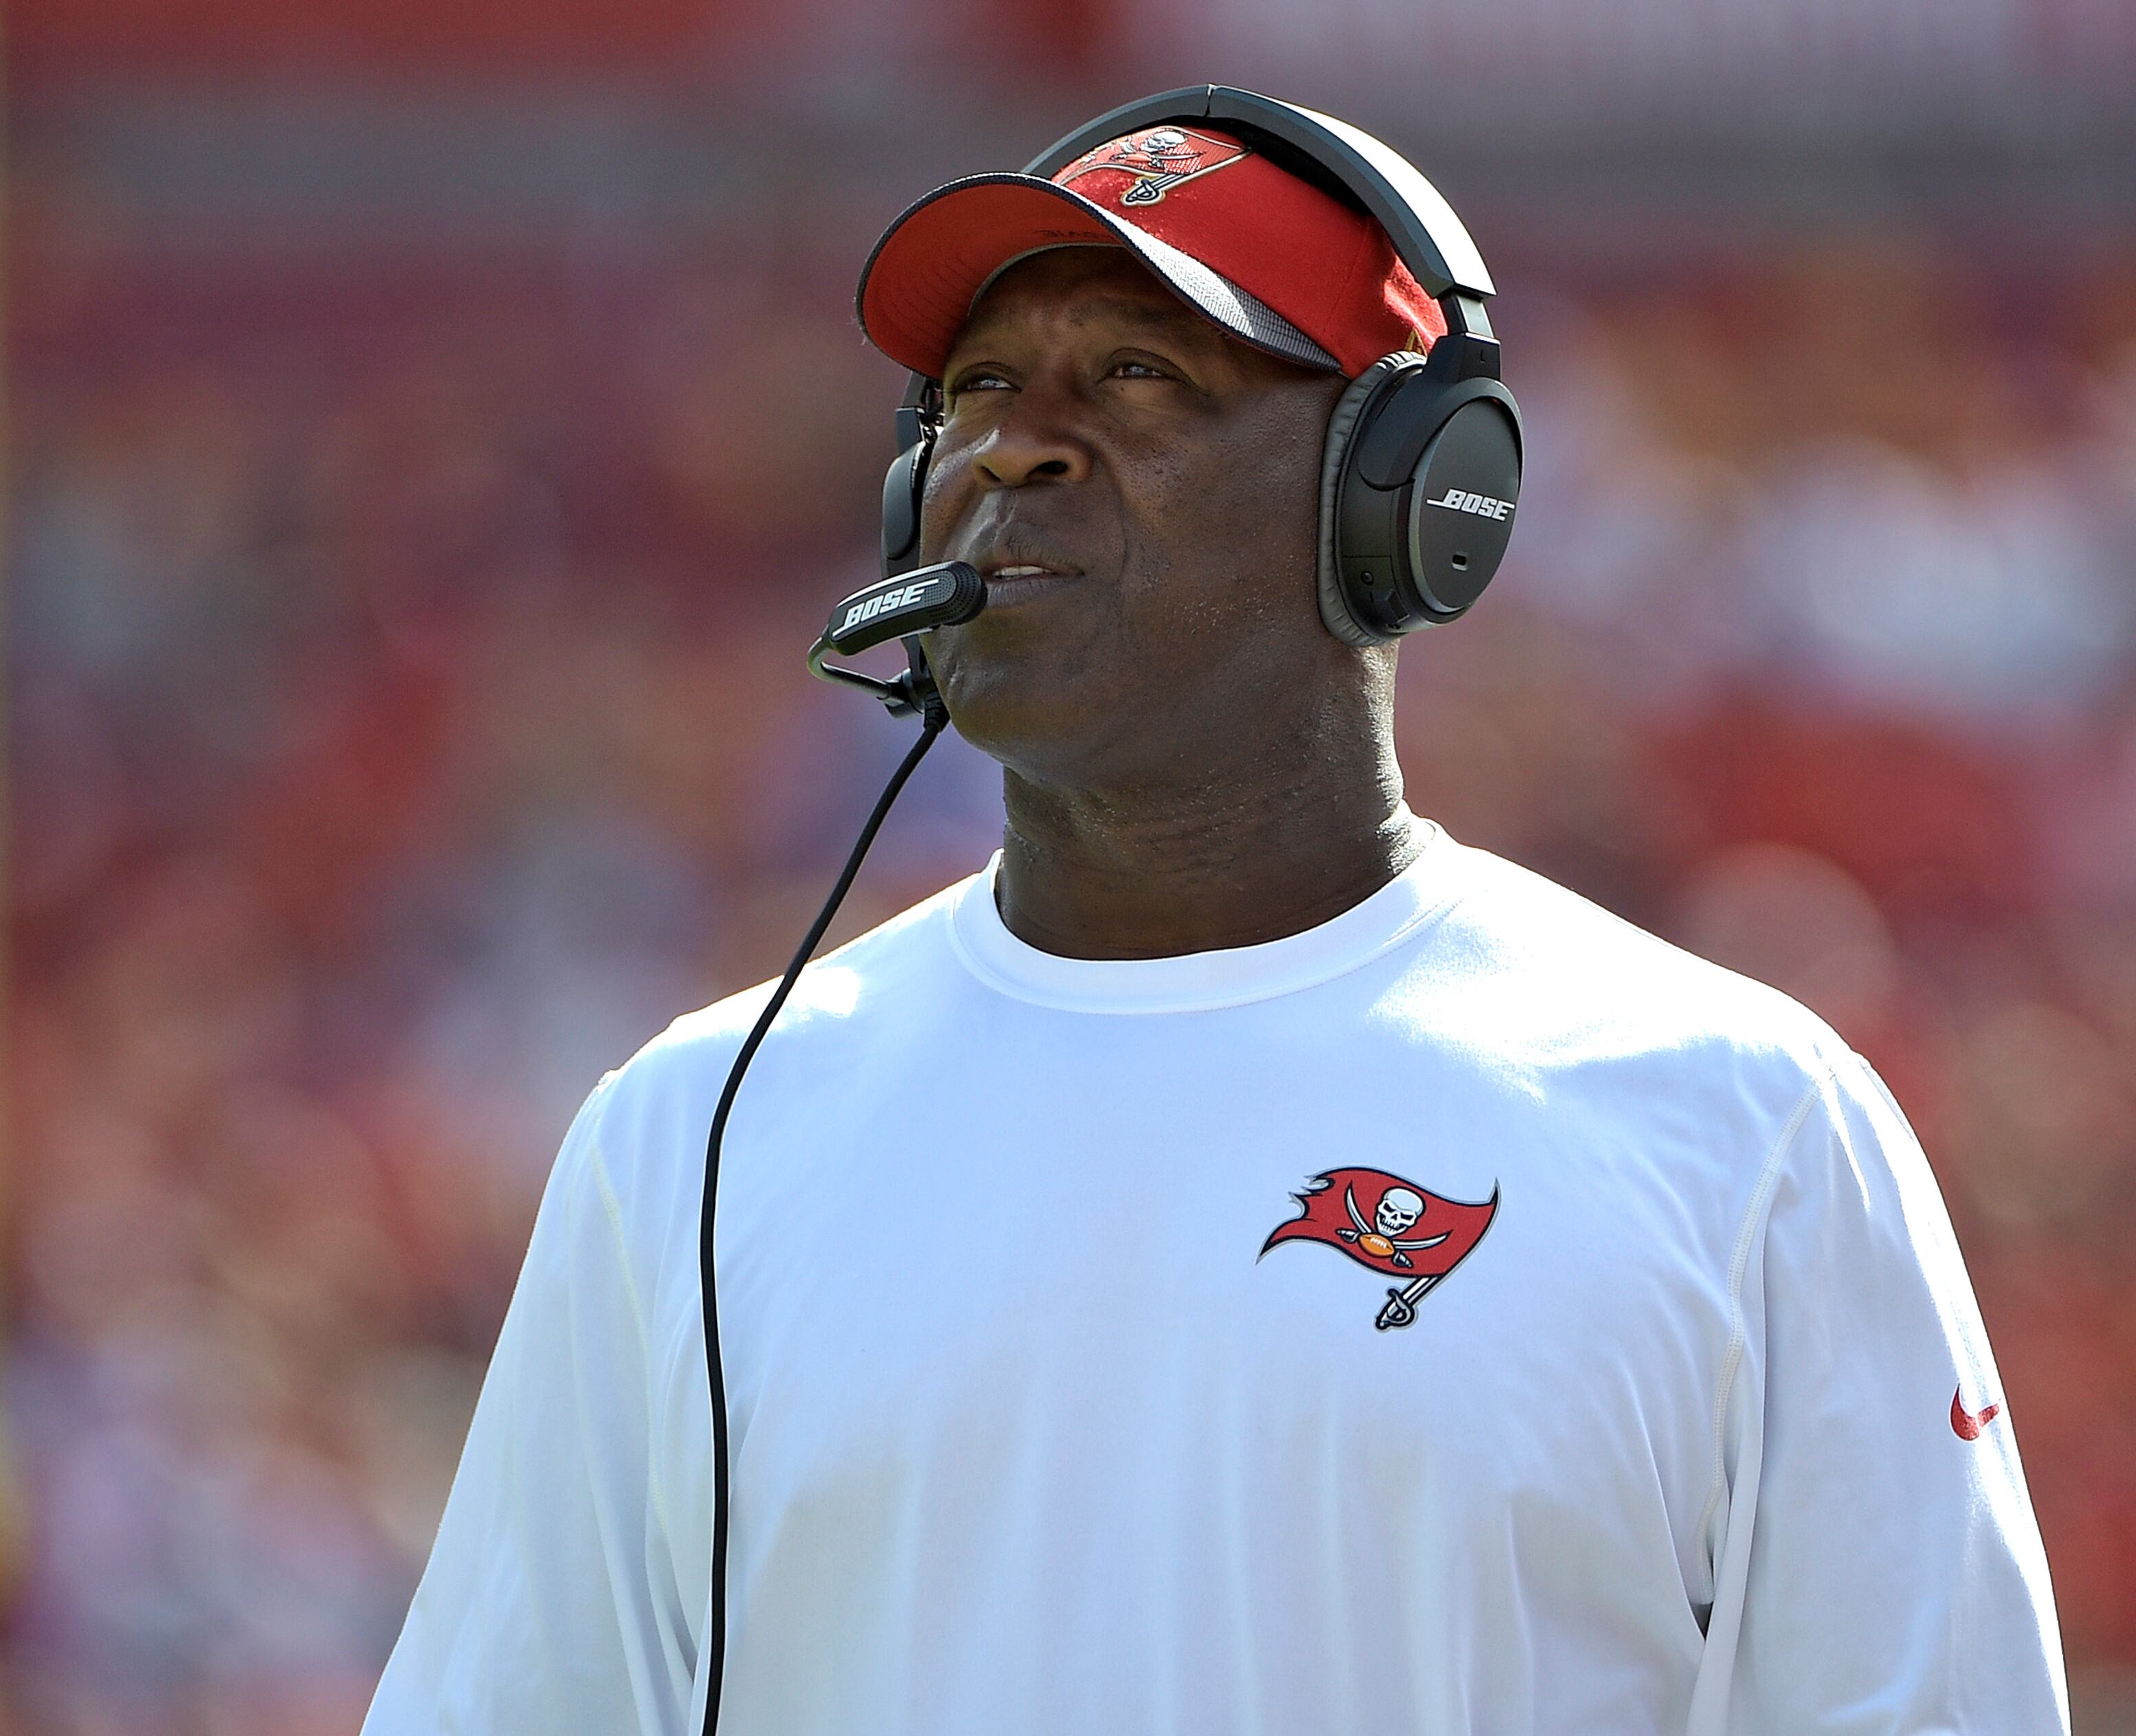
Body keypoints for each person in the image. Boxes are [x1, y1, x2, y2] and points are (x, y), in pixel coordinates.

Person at [363, 99, 2067, 1735]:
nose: (1015, 444)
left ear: (1401, 493)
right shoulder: (689, 1136)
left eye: (1136, 372)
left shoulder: (1744, 1123)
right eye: (973, 389)